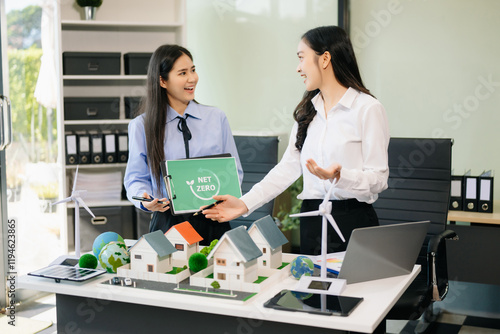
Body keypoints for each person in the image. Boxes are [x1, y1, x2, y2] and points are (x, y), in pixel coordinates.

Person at [203, 26, 389, 255]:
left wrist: (341, 176)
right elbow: (287, 169)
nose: (298, 68)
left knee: (354, 290)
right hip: (312, 219)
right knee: (314, 290)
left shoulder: (367, 108)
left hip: (353, 220)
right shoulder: (307, 112)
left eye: (302, 58)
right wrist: (244, 204)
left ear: (325, 59)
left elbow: (379, 178)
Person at [124, 44, 243, 245]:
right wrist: (145, 200)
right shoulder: (141, 126)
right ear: (162, 81)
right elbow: (135, 178)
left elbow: (235, 172)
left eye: (193, 70)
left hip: (213, 219)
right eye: (183, 73)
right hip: (168, 223)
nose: (192, 78)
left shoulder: (216, 118)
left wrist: (224, 199)